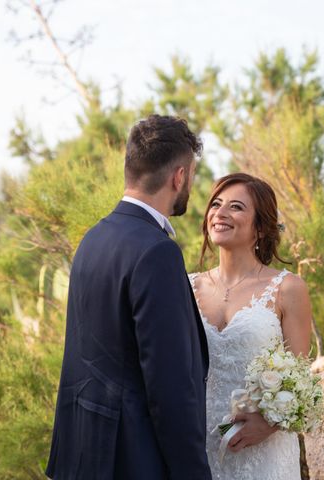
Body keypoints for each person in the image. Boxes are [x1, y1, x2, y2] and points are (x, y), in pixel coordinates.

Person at [45, 115, 212, 480]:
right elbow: (169, 387)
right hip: (132, 461)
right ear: (179, 176)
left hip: (82, 454)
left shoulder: (94, 238)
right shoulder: (156, 251)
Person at [189, 173, 312, 479]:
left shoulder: (287, 288)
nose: (220, 212)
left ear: (260, 227)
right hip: (197, 448)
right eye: (216, 204)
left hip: (263, 454)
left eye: (236, 207)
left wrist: (269, 424)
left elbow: (302, 380)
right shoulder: (186, 287)